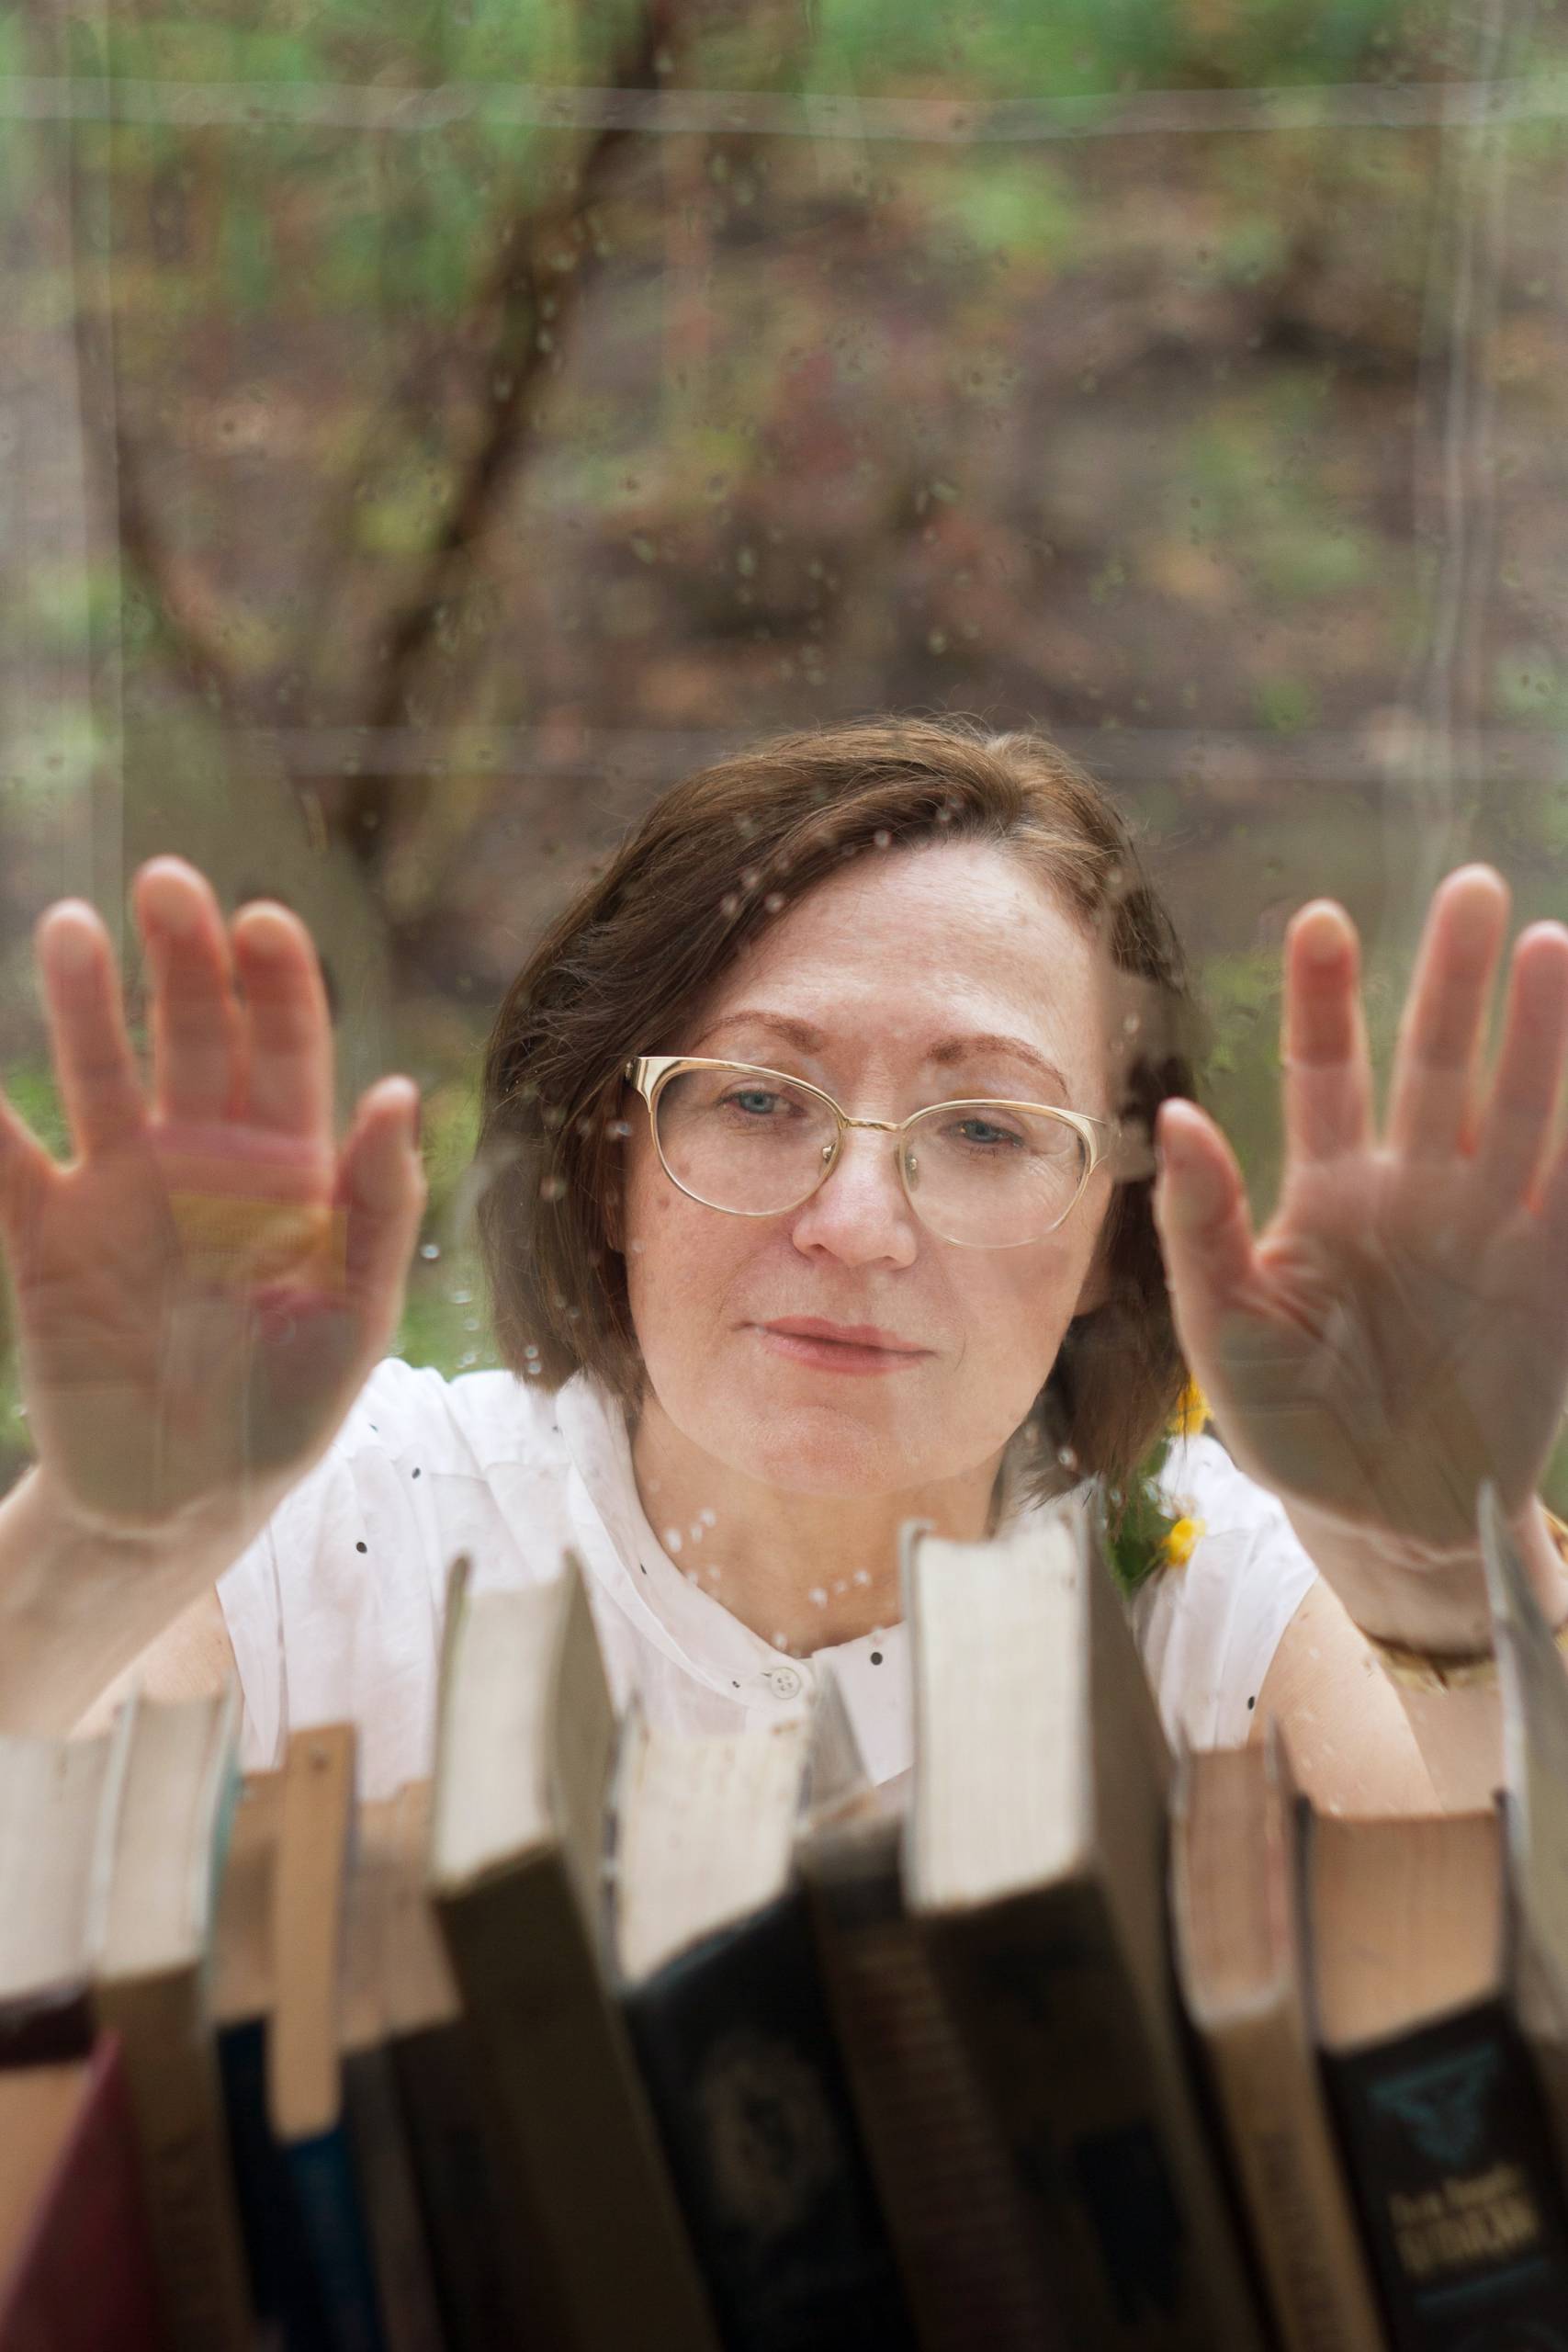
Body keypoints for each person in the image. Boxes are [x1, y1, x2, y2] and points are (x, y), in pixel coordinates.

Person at [1, 718, 1565, 1813]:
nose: (857, 1222)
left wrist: (1446, 1581)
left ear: (1113, 1232)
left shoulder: (1209, 1599)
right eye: (758, 1101)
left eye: (987, 1130)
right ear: (608, 1163)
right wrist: (100, 1546)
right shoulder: (339, 1527)